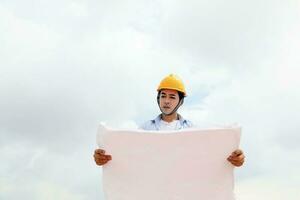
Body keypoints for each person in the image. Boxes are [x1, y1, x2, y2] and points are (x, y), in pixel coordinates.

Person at [94, 74, 245, 167]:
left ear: (181, 102)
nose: (166, 101)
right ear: (158, 99)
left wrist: (234, 158)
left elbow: (208, 158)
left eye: (172, 97)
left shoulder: (194, 131)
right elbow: (128, 156)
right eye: (163, 96)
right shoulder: (143, 130)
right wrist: (103, 158)